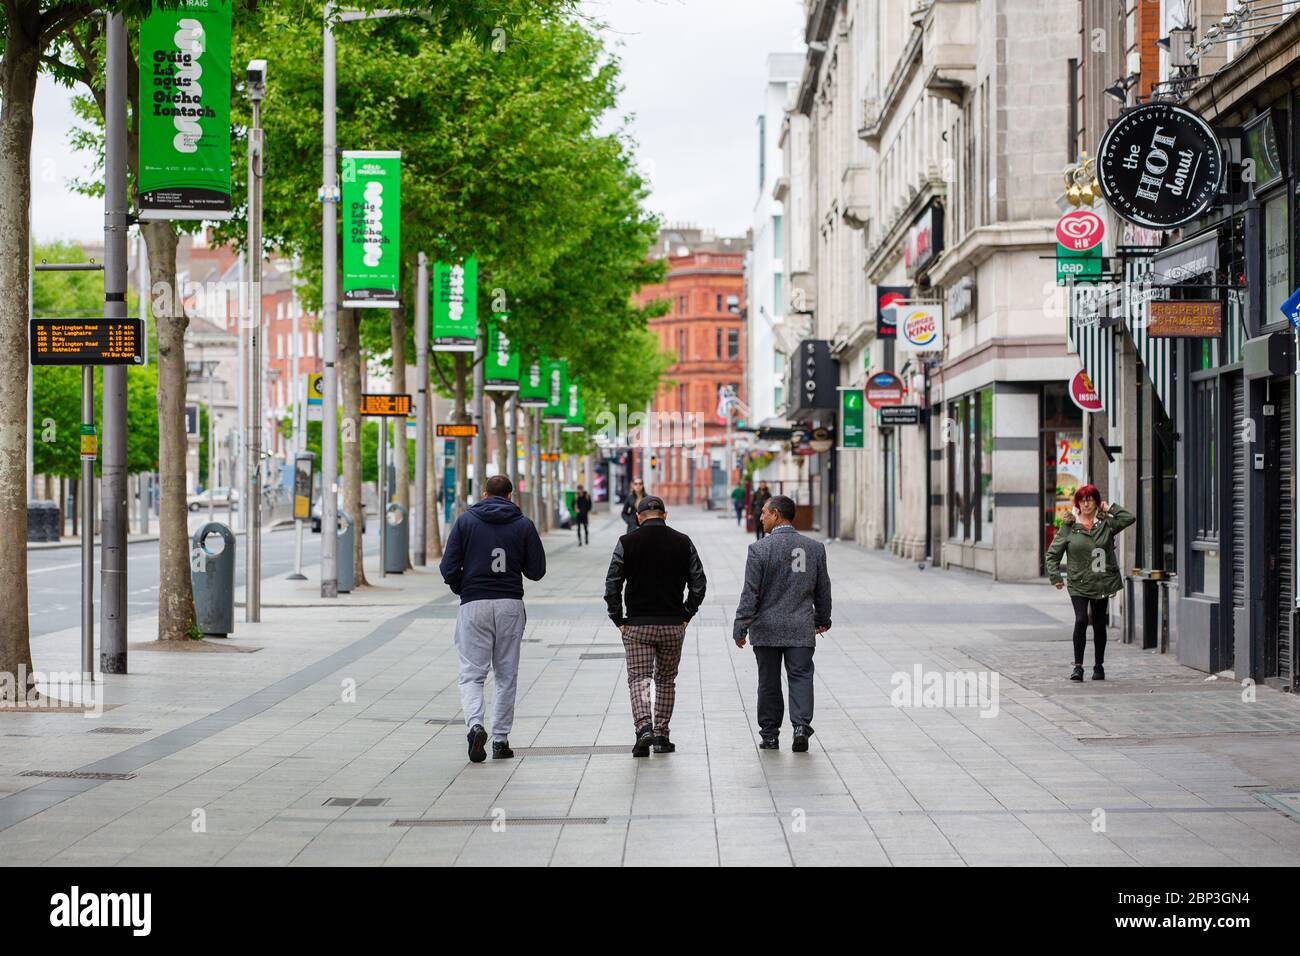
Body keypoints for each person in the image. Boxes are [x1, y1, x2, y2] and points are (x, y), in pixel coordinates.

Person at [439, 474, 546, 763]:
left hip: (474, 604)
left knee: (472, 674)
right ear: (511, 496)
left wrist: (464, 588)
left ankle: (475, 726)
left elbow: (448, 567)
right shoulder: (523, 524)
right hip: (510, 603)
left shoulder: (465, 522)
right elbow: (537, 571)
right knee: (506, 674)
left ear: (484, 494)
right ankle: (501, 740)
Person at [604, 495, 707, 757]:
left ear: (638, 517)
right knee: (665, 680)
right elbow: (699, 582)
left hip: (638, 625)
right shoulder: (683, 542)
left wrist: (618, 618)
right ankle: (661, 735)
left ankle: (644, 728)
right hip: (673, 624)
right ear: (665, 514)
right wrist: (687, 613)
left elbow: (613, 582)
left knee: (639, 679)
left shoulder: (627, 542)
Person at [733, 494, 831, 752]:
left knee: (768, 681)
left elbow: (750, 592)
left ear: (776, 514)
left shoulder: (759, 549)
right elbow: (823, 590)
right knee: (800, 676)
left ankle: (770, 735)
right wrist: (822, 619)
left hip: (766, 630)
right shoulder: (814, 548)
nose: (760, 517)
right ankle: (800, 727)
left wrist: (740, 625)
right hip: (800, 627)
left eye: (764, 512)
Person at [1045, 485, 1135, 682]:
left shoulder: (1106, 524)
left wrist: (1109, 507)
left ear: (1096, 502)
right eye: (1082, 499)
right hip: (1078, 582)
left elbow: (1129, 518)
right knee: (1081, 620)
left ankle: (1098, 666)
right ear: (1077, 503)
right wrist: (1056, 577)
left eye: (1090, 499)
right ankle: (1078, 667)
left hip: (1101, 582)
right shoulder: (1069, 527)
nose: (1086, 503)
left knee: (1099, 623)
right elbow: (1052, 555)